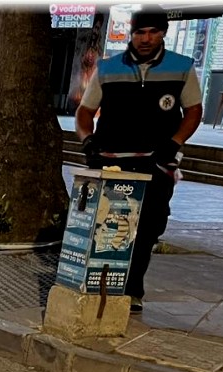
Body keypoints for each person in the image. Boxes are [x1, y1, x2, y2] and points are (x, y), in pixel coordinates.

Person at [75, 9, 202, 313]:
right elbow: (84, 111)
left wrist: (175, 143)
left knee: (148, 228)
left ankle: (132, 290)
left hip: (156, 161)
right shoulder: (108, 68)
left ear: (163, 33)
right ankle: (97, 285)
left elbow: (194, 111)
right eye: (140, 32)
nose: (146, 39)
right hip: (111, 160)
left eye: (153, 32)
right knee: (105, 225)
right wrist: (88, 140)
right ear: (131, 34)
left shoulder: (182, 67)